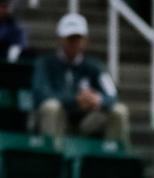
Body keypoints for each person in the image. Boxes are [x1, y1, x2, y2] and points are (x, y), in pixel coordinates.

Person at [33, 14, 130, 142]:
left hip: (87, 121)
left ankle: (114, 158)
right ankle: (54, 155)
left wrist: (97, 100)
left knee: (119, 110)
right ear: (60, 39)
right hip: (59, 118)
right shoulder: (45, 64)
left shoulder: (95, 66)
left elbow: (112, 95)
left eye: (78, 38)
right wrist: (75, 100)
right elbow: (41, 94)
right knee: (51, 107)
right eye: (70, 38)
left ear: (85, 41)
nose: (74, 43)